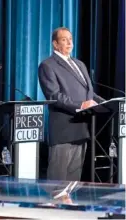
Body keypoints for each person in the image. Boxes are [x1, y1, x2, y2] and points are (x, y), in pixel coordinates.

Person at [38, 27, 105, 182]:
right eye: (64, 39)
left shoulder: (79, 64)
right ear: (55, 44)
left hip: (82, 128)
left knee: (73, 181)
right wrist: (81, 105)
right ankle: (52, 206)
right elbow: (54, 95)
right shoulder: (47, 65)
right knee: (58, 181)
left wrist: (106, 103)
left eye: (70, 39)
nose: (69, 43)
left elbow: (89, 93)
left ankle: (68, 206)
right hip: (64, 129)